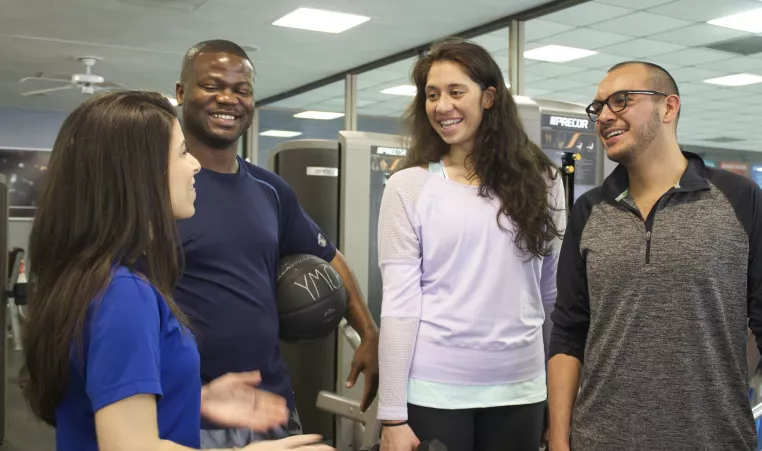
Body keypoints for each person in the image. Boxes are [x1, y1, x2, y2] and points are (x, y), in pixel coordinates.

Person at [18, 90, 334, 451]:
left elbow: (106, 401)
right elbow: (129, 446)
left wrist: (194, 399)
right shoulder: (123, 293)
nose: (196, 165)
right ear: (141, 174)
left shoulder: (91, 277)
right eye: (183, 152)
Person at [173, 40, 379, 448]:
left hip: (271, 404)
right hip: (193, 409)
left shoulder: (270, 189)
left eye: (242, 90)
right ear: (181, 93)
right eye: (212, 86)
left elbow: (328, 256)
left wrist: (369, 332)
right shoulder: (165, 189)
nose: (228, 99)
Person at [547, 61, 762, 451]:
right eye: (599, 108)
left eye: (621, 100)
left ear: (669, 107)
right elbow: (568, 333)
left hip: (716, 439)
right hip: (601, 439)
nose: (605, 116)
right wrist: (560, 442)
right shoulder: (590, 211)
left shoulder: (740, 199)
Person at [376, 37, 566, 451]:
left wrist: (560, 402)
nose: (442, 106)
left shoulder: (544, 182)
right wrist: (392, 414)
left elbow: (552, 296)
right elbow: (400, 305)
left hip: (523, 387)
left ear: (489, 97)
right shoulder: (409, 187)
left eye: (456, 91)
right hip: (435, 388)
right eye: (432, 94)